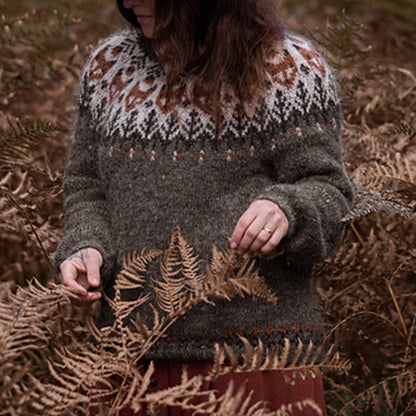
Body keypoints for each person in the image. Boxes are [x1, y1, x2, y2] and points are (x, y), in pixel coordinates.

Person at [54, 0, 354, 413]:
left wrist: (289, 208)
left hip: (255, 360)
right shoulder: (109, 66)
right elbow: (87, 185)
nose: (127, 1)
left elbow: (329, 190)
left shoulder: (291, 68)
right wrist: (86, 245)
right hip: (128, 360)